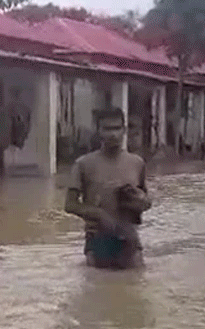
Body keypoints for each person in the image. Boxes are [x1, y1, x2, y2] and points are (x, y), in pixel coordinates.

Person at [64, 108, 152, 269]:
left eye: (117, 128)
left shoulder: (137, 163)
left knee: (136, 285)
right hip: (97, 238)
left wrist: (139, 199)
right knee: (97, 287)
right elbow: (69, 205)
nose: (113, 134)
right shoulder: (83, 164)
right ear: (98, 131)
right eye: (107, 129)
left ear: (124, 130)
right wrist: (99, 214)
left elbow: (147, 202)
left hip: (129, 237)